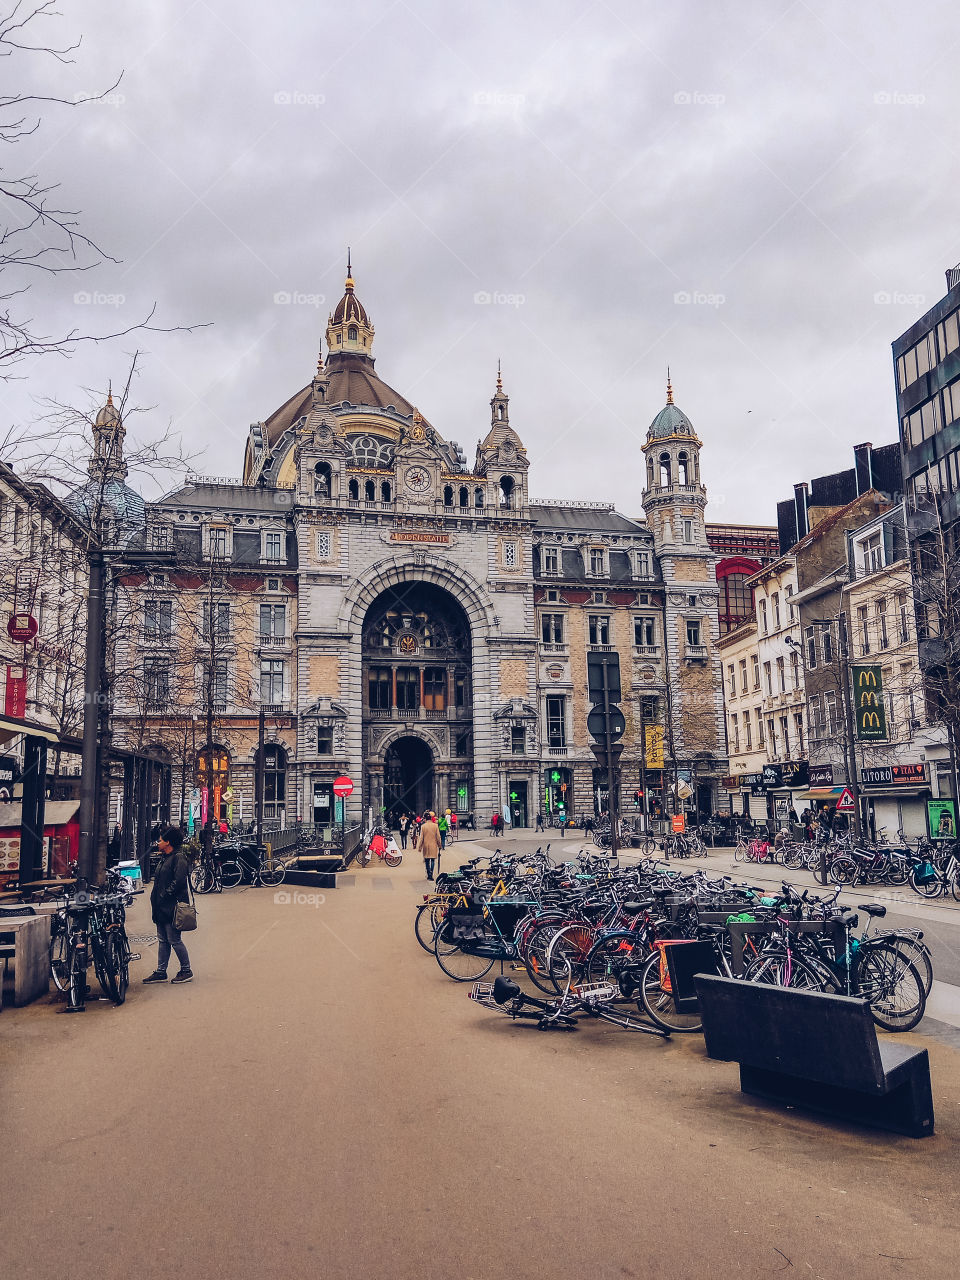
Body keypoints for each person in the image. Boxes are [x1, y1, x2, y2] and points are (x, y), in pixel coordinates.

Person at [143, 826, 193, 985]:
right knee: (163, 939)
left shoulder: (178, 858)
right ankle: (161, 971)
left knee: (174, 939)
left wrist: (165, 895)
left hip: (171, 906)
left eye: (161, 840)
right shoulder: (165, 856)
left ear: (168, 842)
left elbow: (178, 881)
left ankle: (186, 970)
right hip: (161, 906)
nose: (158, 842)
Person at [419, 811, 441, 881]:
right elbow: (438, 837)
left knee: (427, 860)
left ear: (425, 819)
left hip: (426, 845)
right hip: (433, 845)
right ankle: (431, 872)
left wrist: (420, 847)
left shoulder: (423, 826)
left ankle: (429, 873)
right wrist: (439, 845)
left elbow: (421, 838)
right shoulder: (435, 826)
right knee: (433, 860)